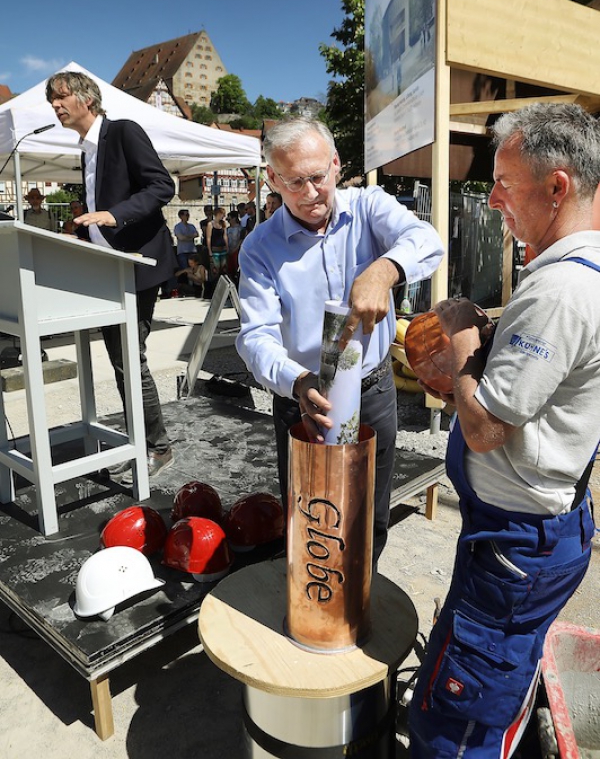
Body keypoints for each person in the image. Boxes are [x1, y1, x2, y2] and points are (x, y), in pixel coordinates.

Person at [409, 102, 600, 759]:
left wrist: (463, 331)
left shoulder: (561, 291)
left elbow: (488, 427)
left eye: (503, 182)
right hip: (535, 534)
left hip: (516, 544)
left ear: (557, 187)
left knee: (454, 721)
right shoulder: (576, 273)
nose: (491, 200)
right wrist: (489, 342)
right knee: (495, 679)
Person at [235, 118, 444, 561]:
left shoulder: (367, 206)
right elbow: (256, 336)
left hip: (372, 386)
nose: (311, 193)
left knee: (371, 511)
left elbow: (426, 240)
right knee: (311, 512)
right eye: (294, 182)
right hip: (303, 395)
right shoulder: (260, 247)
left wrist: (384, 270)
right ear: (272, 178)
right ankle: (315, 602)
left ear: (335, 165)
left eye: (318, 177)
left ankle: (362, 603)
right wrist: (297, 382)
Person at [46, 70, 177, 481]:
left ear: (87, 99)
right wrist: (83, 229)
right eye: (52, 100)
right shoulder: (86, 151)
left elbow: (162, 186)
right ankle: (142, 442)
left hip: (137, 265)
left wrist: (113, 214)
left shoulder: (123, 132)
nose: (55, 105)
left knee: (128, 361)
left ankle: (157, 448)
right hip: (105, 270)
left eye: (61, 97)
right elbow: (98, 204)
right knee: (122, 363)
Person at [206, 206, 229, 278]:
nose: (223, 216)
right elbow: (208, 238)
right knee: (215, 268)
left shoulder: (223, 223)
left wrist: (227, 246)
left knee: (224, 268)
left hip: (223, 248)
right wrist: (209, 250)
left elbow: (225, 236)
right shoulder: (210, 224)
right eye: (222, 214)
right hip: (215, 249)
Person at [226, 210, 242, 282]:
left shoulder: (240, 228)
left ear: (234, 218)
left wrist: (236, 248)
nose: (228, 221)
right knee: (229, 270)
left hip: (236, 251)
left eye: (229, 219)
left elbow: (241, 240)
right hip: (229, 251)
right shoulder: (227, 229)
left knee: (236, 268)